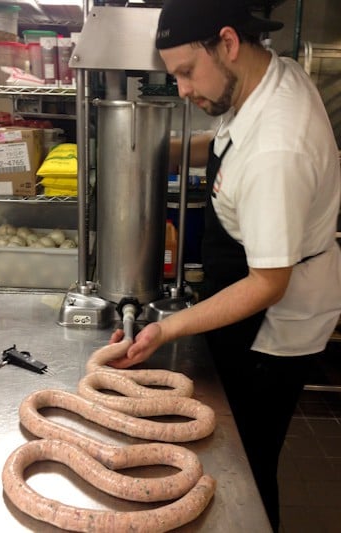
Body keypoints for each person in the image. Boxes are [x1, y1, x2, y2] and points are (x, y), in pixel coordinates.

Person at [109, 0, 341, 530]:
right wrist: (148, 152)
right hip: (253, 281)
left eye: (187, 73)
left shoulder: (278, 149)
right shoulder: (264, 77)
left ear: (229, 43)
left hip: (272, 328)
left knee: (250, 463)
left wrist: (166, 329)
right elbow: (224, 143)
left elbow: (268, 284)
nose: (184, 90)